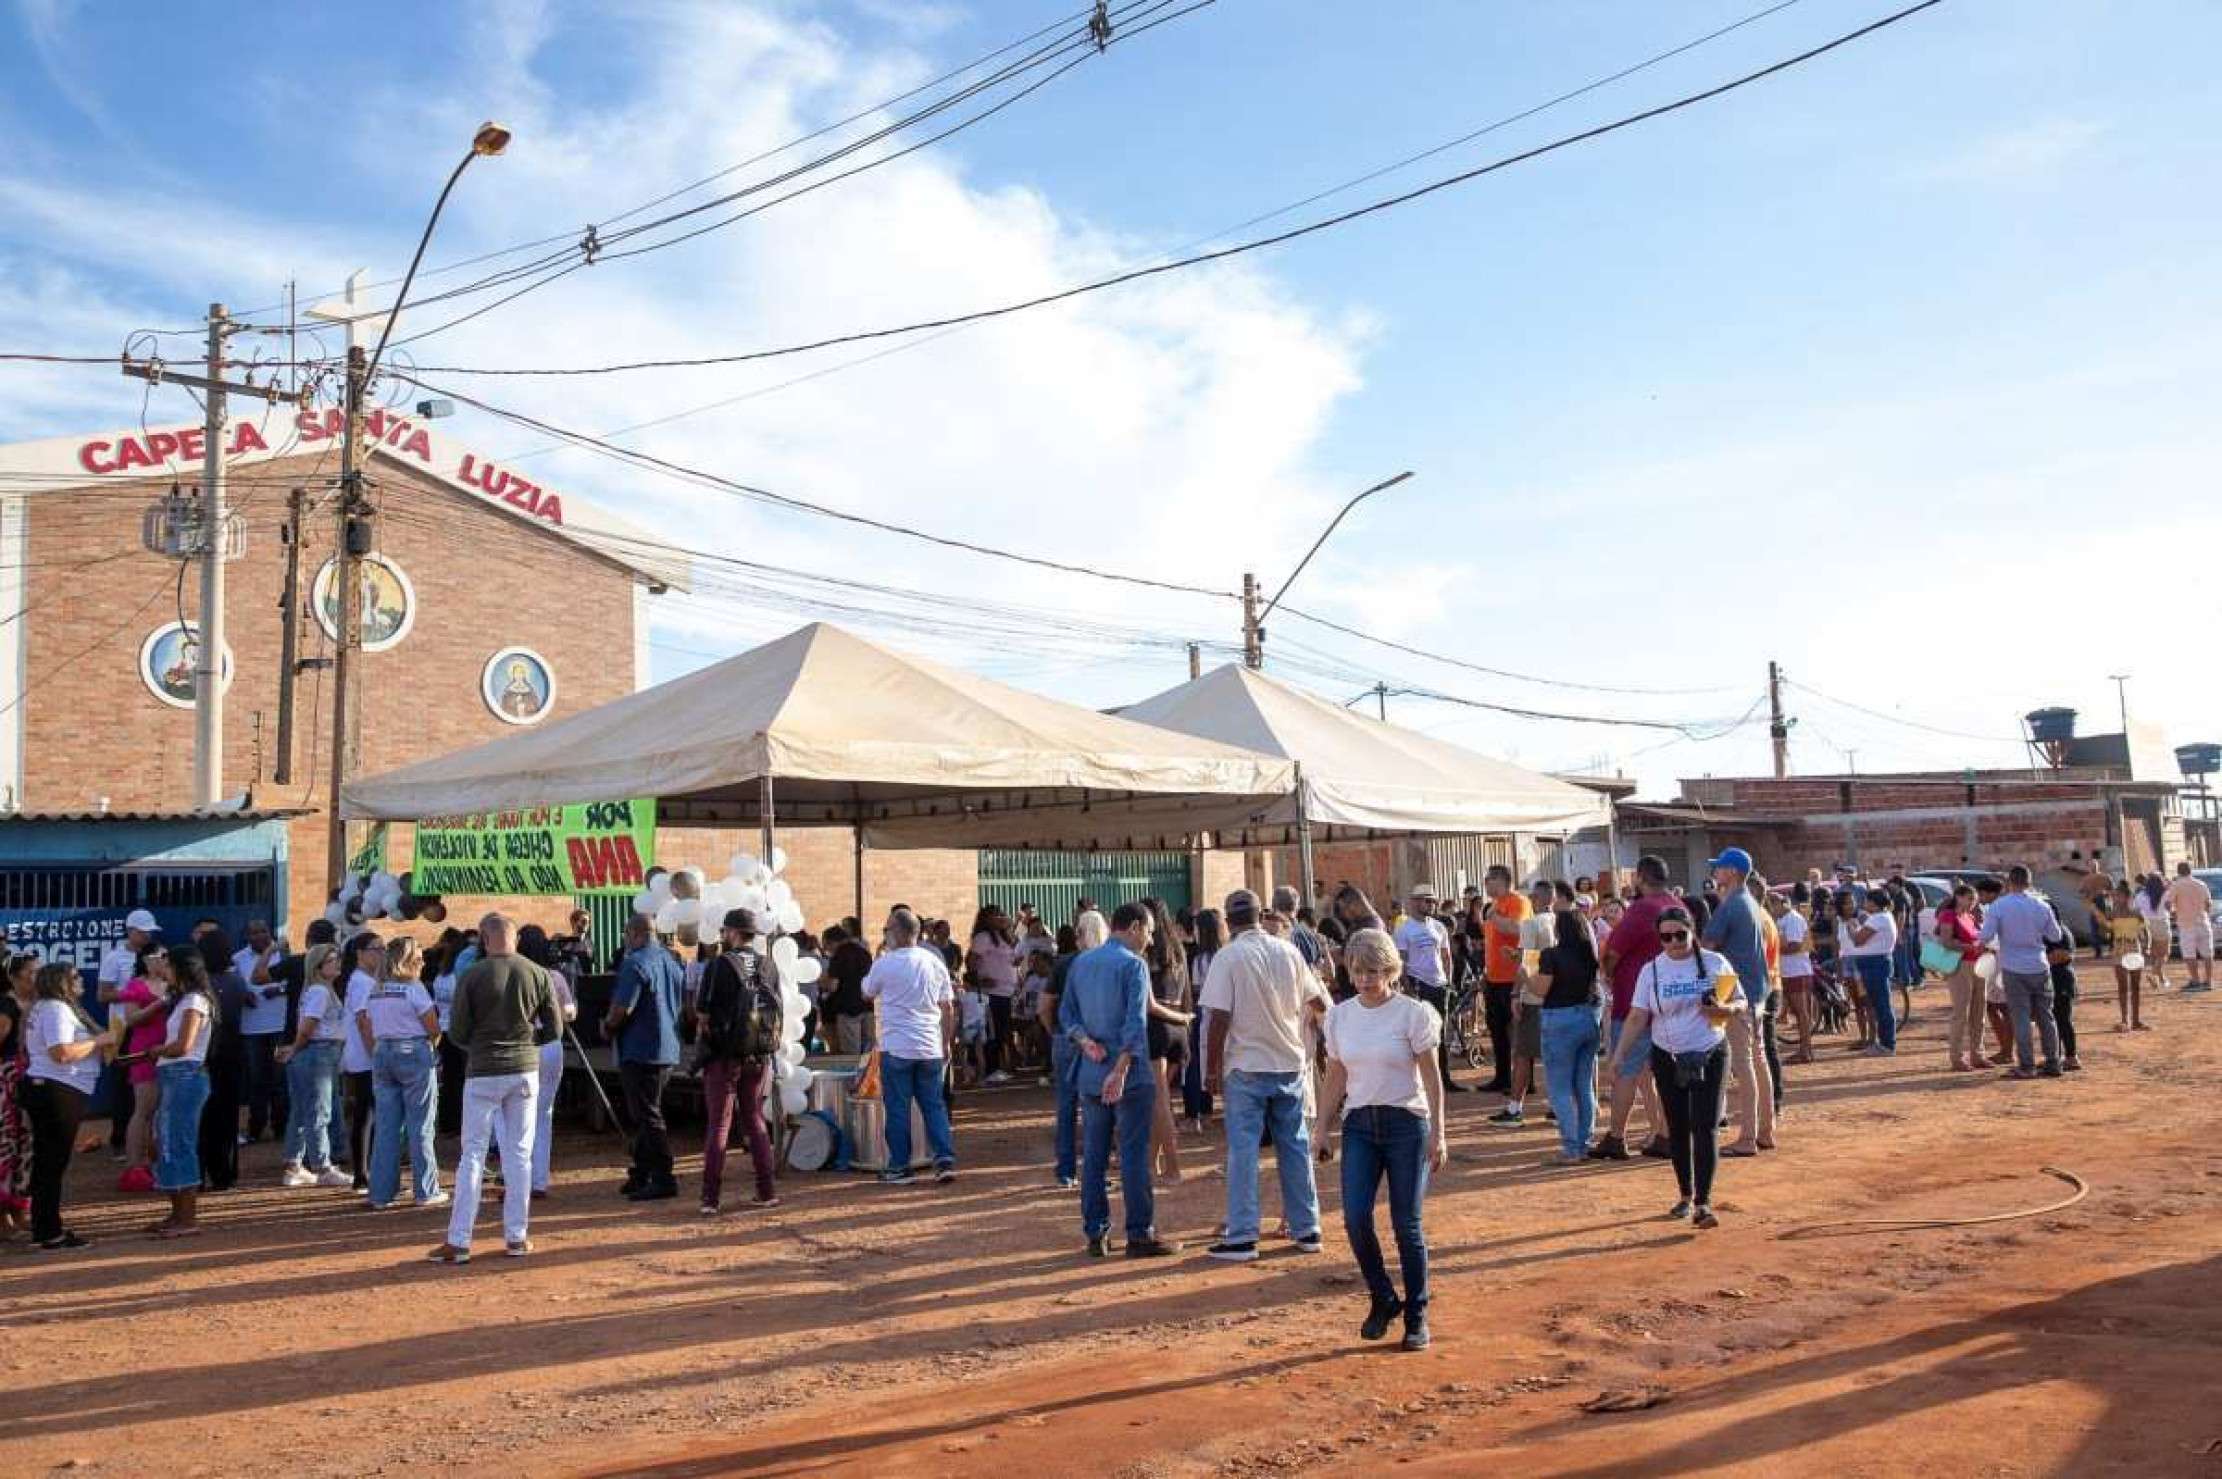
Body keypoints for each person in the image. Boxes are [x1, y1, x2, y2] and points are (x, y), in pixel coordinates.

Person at [1317, 927, 1445, 1350]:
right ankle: (1383, 1297)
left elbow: (1431, 1075)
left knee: (1406, 1224)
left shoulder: (1414, 1013)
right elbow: (1336, 1074)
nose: (1366, 979)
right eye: (1358, 971)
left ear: (1391, 970)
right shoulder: (1340, 1016)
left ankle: (1417, 1314)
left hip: (1407, 1122)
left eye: (1374, 971)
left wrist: (1439, 1133)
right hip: (1359, 1125)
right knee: (1355, 1217)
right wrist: (1321, 1127)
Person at [1200, 888, 1329, 1262]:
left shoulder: (1229, 956)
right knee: (1294, 1147)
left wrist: (1210, 1071)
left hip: (1247, 1066)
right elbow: (1318, 1002)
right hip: (1289, 1064)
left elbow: (1219, 1017)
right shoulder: (1288, 951)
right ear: (1260, 914)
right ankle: (1307, 1229)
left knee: (1243, 1152)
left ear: (1229, 919)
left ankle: (1242, 1236)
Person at [430, 914, 561, 1264]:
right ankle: (517, 1237)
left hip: (483, 1070)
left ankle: (459, 1241)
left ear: (485, 940)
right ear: (514, 939)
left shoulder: (472, 974)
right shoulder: (537, 973)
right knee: (519, 1153)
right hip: (524, 1069)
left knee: (472, 1153)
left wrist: (477, 1047)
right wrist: (530, 1041)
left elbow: (456, 1030)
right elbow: (555, 1028)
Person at [1059, 902, 1180, 1258]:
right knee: (1132, 1155)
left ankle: (1096, 1233)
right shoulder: (1133, 965)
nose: (1152, 938)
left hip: (1092, 1071)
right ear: (1136, 927)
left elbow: (1066, 1013)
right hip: (1129, 1075)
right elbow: (1134, 1022)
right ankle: (1140, 1233)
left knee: (1095, 1156)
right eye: (1151, 930)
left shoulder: (1082, 962)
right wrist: (1122, 1067)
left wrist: (1083, 1040)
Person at [1609, 906, 1742, 1228]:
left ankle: (1704, 1202)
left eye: (1679, 935)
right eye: (1665, 937)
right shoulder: (1652, 970)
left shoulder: (1714, 963)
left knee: (1705, 1125)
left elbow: (1740, 1001)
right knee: (1678, 1127)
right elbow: (1639, 1015)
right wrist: (1619, 1054)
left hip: (1709, 1050)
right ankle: (1685, 1194)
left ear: (1692, 931)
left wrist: (1725, 1008)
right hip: (1667, 1055)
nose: (1673, 943)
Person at [687, 909, 778, 1215]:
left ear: (733, 932)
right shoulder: (768, 965)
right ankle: (767, 1191)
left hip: (724, 1056)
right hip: (759, 1054)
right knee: (754, 1120)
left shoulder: (719, 965)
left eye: (725, 931)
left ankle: (710, 1198)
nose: (723, 936)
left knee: (719, 1125)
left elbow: (703, 1013)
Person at [863, 907, 958, 1186]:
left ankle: (900, 1167)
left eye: (887, 929)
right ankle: (944, 1159)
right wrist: (946, 1042)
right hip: (930, 1046)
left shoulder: (885, 962)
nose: (885, 933)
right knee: (934, 1106)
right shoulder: (933, 962)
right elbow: (948, 1007)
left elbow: (867, 992)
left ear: (899, 932)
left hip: (897, 1047)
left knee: (898, 1109)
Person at [23, 962, 114, 1249]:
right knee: (52, 1161)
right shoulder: (55, 1009)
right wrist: (100, 1041)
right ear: (60, 981)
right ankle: (49, 1232)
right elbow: (61, 1053)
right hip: (57, 1088)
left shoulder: (54, 1007)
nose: (80, 980)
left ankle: (45, 1226)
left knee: (49, 1161)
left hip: (56, 1087)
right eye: (74, 976)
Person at [1591, 855, 1675, 1161]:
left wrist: (1609, 973)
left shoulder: (1642, 909)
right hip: (1669, 1001)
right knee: (1663, 1072)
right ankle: (1664, 1133)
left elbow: (1613, 951)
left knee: (1625, 1069)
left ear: (1641, 877)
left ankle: (1616, 1136)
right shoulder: (1677, 906)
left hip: (1634, 1000)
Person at [1699, 849, 1774, 1157]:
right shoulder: (1749, 902)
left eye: (1719, 868)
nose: (1715, 873)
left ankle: (1749, 1136)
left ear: (1731, 872)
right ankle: (1763, 1130)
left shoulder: (1731, 905)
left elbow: (1707, 946)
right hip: (1754, 990)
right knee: (1757, 1061)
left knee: (1743, 1064)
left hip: (1734, 990)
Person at [361, 937, 445, 1211]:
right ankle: (426, 1190)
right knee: (420, 1124)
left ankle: (381, 1193)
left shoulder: (376, 989)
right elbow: (433, 1027)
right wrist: (432, 1047)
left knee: (386, 1126)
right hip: (413, 1051)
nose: (423, 963)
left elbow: (370, 1023)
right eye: (419, 959)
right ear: (406, 961)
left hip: (383, 1052)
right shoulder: (414, 988)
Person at [142, 944, 216, 1238]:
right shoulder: (187, 1000)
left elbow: (183, 1046)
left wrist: (157, 1050)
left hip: (184, 1075)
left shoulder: (194, 1001)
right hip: (177, 1076)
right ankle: (177, 1214)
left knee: (179, 1143)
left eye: (169, 965)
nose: (165, 971)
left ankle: (187, 1218)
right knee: (167, 1142)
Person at [1977, 865, 2067, 1079]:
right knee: (2046, 1016)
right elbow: (2055, 936)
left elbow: (1986, 935)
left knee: (2021, 1017)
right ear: (2029, 882)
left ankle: (2026, 1065)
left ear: (2010, 882)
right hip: (2039, 964)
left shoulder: (2000, 906)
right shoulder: (2041, 905)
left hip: (2013, 966)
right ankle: (2053, 1061)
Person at [276, 943, 353, 1188]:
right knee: (320, 1111)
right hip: (318, 1053)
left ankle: (294, 1165)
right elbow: (308, 1026)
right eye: (331, 960)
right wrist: (296, 1048)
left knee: (301, 1111)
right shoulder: (320, 991)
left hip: (317, 1053)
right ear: (318, 966)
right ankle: (322, 1166)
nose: (337, 963)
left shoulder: (318, 990)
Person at [1532, 904, 1603, 1166]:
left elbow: (1540, 989)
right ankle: (1583, 1143)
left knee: (1559, 1087)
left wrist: (1523, 974)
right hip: (1587, 1017)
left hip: (1559, 1020)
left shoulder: (1551, 955)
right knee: (1583, 1085)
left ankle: (1571, 1147)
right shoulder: (1589, 956)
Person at [1039, 914, 1104, 1189]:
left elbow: (1044, 1005)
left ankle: (1066, 1170)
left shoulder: (1064, 964)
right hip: (1099, 1041)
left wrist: (1054, 1030)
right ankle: (1095, 1171)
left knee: (1066, 1107)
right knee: (1097, 1107)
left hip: (1067, 1038)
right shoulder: (1108, 963)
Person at [515, 925, 580, 1199]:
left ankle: (518, 1176)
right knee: (544, 1114)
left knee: (517, 1115)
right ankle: (539, 1180)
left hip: (525, 1046)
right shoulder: (555, 976)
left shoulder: (516, 976)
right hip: (551, 1046)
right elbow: (570, 1012)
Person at [96, 909, 160, 1159]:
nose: (147, 937)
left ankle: (149, 1143)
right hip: (123, 1029)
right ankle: (120, 1141)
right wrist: (136, 993)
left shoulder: (156, 954)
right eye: (143, 932)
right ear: (131, 931)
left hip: (149, 1028)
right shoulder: (114, 958)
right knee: (123, 1087)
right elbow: (102, 995)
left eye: (149, 933)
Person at [1140, 897, 1194, 1184]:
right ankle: (1152, 1163)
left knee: (1159, 1102)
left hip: (1156, 1027)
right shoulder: (1177, 950)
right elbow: (1186, 997)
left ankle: (1172, 1166)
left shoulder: (1145, 953)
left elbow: (1145, 1000)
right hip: (1178, 1025)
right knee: (1160, 1102)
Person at [113, 944, 175, 1191]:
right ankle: (135, 1165)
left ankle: (156, 1160)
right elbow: (132, 1019)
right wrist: (159, 1004)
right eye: (158, 957)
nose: (162, 961)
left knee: (164, 1111)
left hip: (170, 1052)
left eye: (164, 956)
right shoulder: (136, 985)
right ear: (146, 960)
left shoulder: (173, 983)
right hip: (144, 1051)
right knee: (144, 1110)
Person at [1391, 885, 1460, 1095]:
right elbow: (1401, 962)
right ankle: (1421, 1081)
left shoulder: (1438, 927)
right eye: (1426, 901)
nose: (1431, 905)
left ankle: (1444, 1078)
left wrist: (1448, 981)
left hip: (1438, 985)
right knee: (1420, 1035)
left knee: (1440, 1032)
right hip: (1419, 983)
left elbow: (1446, 957)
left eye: (1433, 901)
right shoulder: (1404, 930)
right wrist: (1409, 988)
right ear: (1414, 902)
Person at [195, 929, 249, 1194]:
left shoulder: (198, 986)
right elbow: (249, 1000)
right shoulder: (235, 982)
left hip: (203, 1055)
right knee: (227, 1117)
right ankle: (224, 1175)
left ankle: (198, 1173)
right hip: (230, 1053)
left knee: (201, 1116)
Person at [232, 919, 289, 1144]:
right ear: (247, 936)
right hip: (252, 1027)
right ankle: (255, 1128)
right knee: (256, 1080)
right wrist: (244, 995)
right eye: (253, 932)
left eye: (263, 931)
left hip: (279, 1025)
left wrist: (279, 989)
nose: (259, 936)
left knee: (279, 1080)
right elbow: (234, 986)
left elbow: (295, 983)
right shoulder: (238, 959)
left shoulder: (283, 955)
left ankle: (281, 1128)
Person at [337, 933, 385, 1190]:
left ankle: (364, 1172)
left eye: (383, 948)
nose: (381, 953)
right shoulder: (363, 982)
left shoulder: (364, 980)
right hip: (366, 1058)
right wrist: (376, 1054)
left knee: (365, 1114)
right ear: (360, 953)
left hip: (362, 1056)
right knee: (366, 1115)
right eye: (376, 949)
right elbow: (364, 1021)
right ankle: (364, 1173)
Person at [1477, 866, 1528, 1097]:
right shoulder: (1494, 906)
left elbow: (1516, 929)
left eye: (1489, 880)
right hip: (1493, 978)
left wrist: (1493, 917)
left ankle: (1525, 1081)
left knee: (1517, 1033)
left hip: (1513, 979)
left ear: (1501, 880)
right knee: (1497, 1030)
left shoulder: (1517, 902)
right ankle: (1502, 1077)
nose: (1486, 884)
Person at [1934, 884, 1989, 1071]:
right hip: (1960, 965)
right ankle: (1956, 1058)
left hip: (1978, 964)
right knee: (1961, 1012)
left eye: (1974, 900)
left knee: (1979, 1011)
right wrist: (1970, 947)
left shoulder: (1970, 916)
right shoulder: (1948, 915)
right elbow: (1946, 941)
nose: (1972, 903)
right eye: (1969, 899)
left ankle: (1977, 1054)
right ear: (1958, 897)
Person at [966, 906, 1020, 1085]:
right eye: (995, 915)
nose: (999, 918)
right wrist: (979, 981)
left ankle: (997, 1067)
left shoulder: (1004, 938)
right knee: (992, 1032)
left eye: (1001, 914)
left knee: (1003, 1031)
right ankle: (990, 1069)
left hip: (1007, 992)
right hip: (992, 993)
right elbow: (972, 962)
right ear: (986, 919)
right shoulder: (983, 938)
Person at [0, 954, 35, 1233]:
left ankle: (19, 1207)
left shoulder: (39, 1004)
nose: (35, 978)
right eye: (30, 973)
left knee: (27, 1145)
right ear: (14, 976)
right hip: (7, 1082)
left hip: (29, 1080)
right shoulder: (6, 1006)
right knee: (6, 1145)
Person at [1842, 889, 1899, 1056]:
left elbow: (1858, 941)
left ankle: (1887, 1044)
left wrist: (1851, 928)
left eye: (1867, 901)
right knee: (1879, 1004)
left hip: (1874, 964)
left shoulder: (1878, 918)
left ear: (1874, 903)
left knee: (1881, 1005)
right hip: (1875, 963)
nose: (1864, 904)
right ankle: (1885, 1043)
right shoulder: (1882, 917)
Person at [1181, 909, 1222, 1127]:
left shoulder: (1200, 961)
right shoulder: (1225, 954)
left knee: (1198, 1065)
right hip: (1226, 1015)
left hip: (1205, 1015)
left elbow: (1197, 991)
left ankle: (1200, 1113)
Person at [1769, 885, 1817, 1065]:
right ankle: (1805, 1050)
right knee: (1798, 1012)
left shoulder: (1793, 919)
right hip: (1789, 972)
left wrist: (1775, 951)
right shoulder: (1783, 920)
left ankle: (1806, 1050)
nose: (1771, 910)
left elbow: (1796, 946)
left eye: (1772, 905)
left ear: (1781, 903)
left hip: (1797, 971)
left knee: (1802, 1012)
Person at [2102, 882, 2150, 1032]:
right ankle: (2125, 1020)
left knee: (2135, 987)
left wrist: (2147, 947)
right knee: (2123, 987)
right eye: (2115, 896)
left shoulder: (2137, 914)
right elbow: (2105, 933)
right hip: (2119, 951)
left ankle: (2135, 1020)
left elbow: (2146, 932)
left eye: (2119, 896)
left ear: (2128, 897)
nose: (2116, 898)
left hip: (2134, 950)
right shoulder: (2112, 913)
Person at [2165, 861, 2214, 993]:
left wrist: (2173, 913)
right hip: (2203, 922)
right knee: (2207, 954)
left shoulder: (2176, 885)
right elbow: (2208, 904)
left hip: (2187, 924)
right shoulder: (2201, 884)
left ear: (2178, 871)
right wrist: (2203, 914)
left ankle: (2195, 980)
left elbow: (2168, 904)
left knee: (2189, 954)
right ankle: (2209, 981)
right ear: (2190, 870)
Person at [2135, 875, 2172, 990]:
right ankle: (2153, 974)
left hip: (2146, 925)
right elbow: (2169, 908)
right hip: (2161, 923)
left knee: (2155, 955)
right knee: (2164, 954)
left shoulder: (2140, 895)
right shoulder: (2165, 894)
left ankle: (2161, 979)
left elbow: (2135, 911)